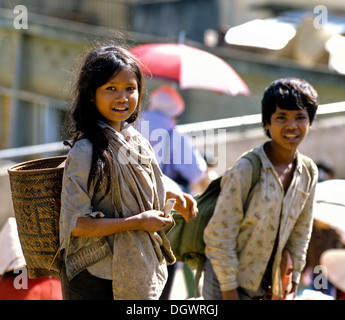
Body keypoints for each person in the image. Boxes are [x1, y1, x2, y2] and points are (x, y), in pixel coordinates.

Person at [59, 43, 198, 300]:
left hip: (130, 268)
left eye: (130, 89)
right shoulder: (86, 150)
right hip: (93, 277)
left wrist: (173, 196)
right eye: (111, 88)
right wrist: (137, 223)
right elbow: (75, 223)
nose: (122, 97)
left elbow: (139, 183)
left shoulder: (135, 139)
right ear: (92, 94)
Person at [203, 77, 319, 300]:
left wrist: (292, 280)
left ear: (310, 122)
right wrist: (229, 292)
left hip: (267, 288)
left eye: (300, 117)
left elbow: (301, 232)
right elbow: (220, 234)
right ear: (267, 123)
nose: (292, 125)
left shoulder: (309, 172)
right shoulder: (247, 169)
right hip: (225, 284)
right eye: (281, 117)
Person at [139, 85, 208, 299]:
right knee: (164, 265)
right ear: (175, 115)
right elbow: (199, 175)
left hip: (131, 207)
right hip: (161, 211)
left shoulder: (128, 126)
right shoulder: (173, 135)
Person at [139, 85, 207, 195]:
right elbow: (197, 173)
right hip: (161, 197)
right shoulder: (175, 136)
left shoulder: (130, 125)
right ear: (174, 114)